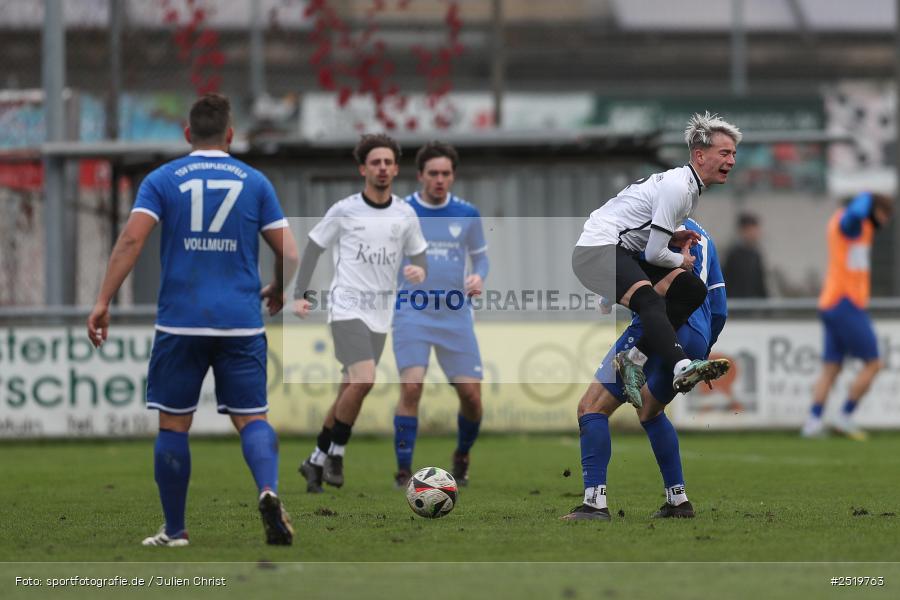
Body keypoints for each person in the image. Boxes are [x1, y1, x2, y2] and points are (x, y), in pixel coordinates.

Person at [87, 94, 299, 546]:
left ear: (187, 134)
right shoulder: (255, 182)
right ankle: (267, 490)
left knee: (173, 424)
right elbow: (291, 253)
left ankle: (177, 530)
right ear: (230, 134)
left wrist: (103, 300)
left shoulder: (162, 179)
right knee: (252, 418)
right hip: (240, 322)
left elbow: (131, 242)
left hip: (181, 322)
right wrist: (279, 288)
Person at [562, 218, 727, 521]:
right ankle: (678, 500)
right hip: (698, 335)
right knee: (650, 410)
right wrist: (701, 346)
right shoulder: (705, 236)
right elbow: (719, 307)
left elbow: (644, 280)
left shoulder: (648, 226)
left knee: (591, 409)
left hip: (658, 327)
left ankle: (594, 504)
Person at [571, 111, 738, 407]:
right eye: (724, 153)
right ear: (699, 156)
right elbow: (653, 255)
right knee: (649, 300)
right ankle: (681, 366)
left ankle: (633, 360)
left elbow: (635, 227)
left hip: (617, 250)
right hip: (596, 252)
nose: (731, 161)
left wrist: (672, 239)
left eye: (734, 154)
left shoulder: (685, 187)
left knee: (692, 290)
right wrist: (680, 261)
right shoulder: (679, 188)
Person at [293, 134, 428, 493]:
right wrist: (300, 294)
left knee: (349, 389)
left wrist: (419, 271)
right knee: (364, 379)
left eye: (388, 163)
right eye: (375, 163)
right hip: (347, 307)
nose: (382, 168)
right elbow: (313, 247)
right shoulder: (344, 209)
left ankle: (314, 461)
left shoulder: (405, 213)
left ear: (396, 169)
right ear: (363, 169)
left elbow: (419, 255)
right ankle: (336, 451)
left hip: (381, 313)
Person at [390, 142, 489, 488]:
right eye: (433, 173)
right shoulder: (401, 212)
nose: (439, 179)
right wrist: (405, 268)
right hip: (412, 314)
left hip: (455, 315)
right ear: (420, 175)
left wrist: (479, 276)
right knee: (412, 386)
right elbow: (386, 256)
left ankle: (462, 454)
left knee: (472, 398)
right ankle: (404, 470)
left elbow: (482, 258)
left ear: (453, 176)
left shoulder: (467, 213)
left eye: (446, 173)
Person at [802, 192, 893, 440]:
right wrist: (868, 196)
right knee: (873, 363)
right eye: (883, 214)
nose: (885, 222)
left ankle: (812, 422)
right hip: (846, 303)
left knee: (831, 367)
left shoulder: (856, 225)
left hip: (832, 302)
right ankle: (844, 416)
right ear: (872, 209)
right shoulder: (851, 223)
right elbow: (855, 214)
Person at [723, 212, 768, 298]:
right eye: (750, 230)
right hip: (735, 305)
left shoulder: (756, 255)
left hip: (752, 306)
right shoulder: (733, 255)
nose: (754, 233)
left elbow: (761, 285)